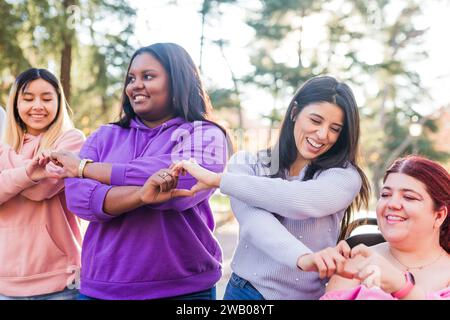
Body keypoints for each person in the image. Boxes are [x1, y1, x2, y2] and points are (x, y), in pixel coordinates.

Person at [48, 43, 229, 300]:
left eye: (148, 76)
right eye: (131, 78)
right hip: (102, 288)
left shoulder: (205, 133)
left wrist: (84, 169)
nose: (135, 85)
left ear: (177, 80)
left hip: (183, 291)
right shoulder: (103, 136)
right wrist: (142, 195)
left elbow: (184, 186)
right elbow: (79, 199)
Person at [171, 75, 370, 299]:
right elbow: (256, 224)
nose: (323, 134)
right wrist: (303, 258)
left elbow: (300, 200)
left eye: (335, 128)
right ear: (294, 112)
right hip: (245, 292)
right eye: (315, 120)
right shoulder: (246, 163)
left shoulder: (345, 177)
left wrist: (220, 180)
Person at [0, 68, 85, 300]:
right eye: (28, 99)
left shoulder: (71, 140)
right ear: (15, 103)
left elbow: (41, 190)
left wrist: (7, 162)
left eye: (47, 98)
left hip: (59, 281)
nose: (38, 105)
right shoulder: (4, 146)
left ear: (59, 101)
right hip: (4, 281)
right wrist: (30, 170)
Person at [321, 155, 450, 300]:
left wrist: (403, 288)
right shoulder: (357, 264)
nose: (392, 204)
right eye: (385, 194)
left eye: (409, 197)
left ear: (439, 215)